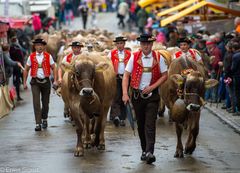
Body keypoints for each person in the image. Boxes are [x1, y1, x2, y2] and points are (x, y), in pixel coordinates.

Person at [122, 34, 168, 164]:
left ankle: (150, 152)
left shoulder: (159, 57)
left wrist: (152, 87)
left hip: (152, 96)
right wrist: (125, 93)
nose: (146, 46)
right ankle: (144, 150)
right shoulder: (134, 57)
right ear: (140, 45)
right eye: (143, 44)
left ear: (152, 44)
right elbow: (126, 76)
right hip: (137, 96)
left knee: (150, 124)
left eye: (148, 44)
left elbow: (165, 75)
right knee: (141, 124)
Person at [23, 38, 57, 131]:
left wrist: (55, 80)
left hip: (46, 81)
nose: (40, 46)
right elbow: (26, 69)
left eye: (41, 45)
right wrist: (24, 82)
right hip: (35, 82)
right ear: (35, 46)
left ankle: (44, 119)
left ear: (44, 46)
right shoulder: (31, 56)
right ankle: (38, 123)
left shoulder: (48, 56)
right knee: (36, 103)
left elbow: (54, 68)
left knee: (46, 103)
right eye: (38, 45)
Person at [108, 36, 131, 127]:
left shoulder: (129, 54)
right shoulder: (111, 53)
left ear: (124, 44)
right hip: (115, 78)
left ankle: (122, 118)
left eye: (121, 43)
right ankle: (116, 116)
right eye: (118, 43)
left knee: (124, 97)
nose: (119, 45)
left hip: (126, 78)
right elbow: (108, 64)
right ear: (116, 44)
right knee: (115, 97)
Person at [9, 35, 25, 101]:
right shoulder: (18, 49)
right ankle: (18, 96)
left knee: (13, 81)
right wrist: (22, 67)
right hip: (18, 66)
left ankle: (14, 95)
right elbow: (21, 58)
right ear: (16, 41)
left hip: (12, 67)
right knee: (18, 81)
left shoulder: (10, 48)